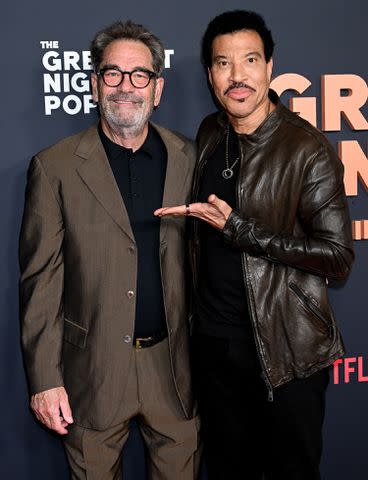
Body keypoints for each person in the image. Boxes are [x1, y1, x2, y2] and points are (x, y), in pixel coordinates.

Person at [155, 9, 354, 480]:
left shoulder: (307, 150)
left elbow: (339, 257)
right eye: (223, 63)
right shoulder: (209, 132)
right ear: (210, 74)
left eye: (249, 60)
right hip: (214, 349)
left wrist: (243, 231)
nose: (237, 76)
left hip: (286, 354)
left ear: (270, 66)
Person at [19, 20, 200, 480]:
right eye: (112, 74)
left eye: (139, 75)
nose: (126, 87)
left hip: (175, 372)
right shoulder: (55, 166)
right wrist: (45, 380)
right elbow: (41, 280)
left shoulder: (188, 157)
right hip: (93, 373)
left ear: (157, 89)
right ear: (95, 84)